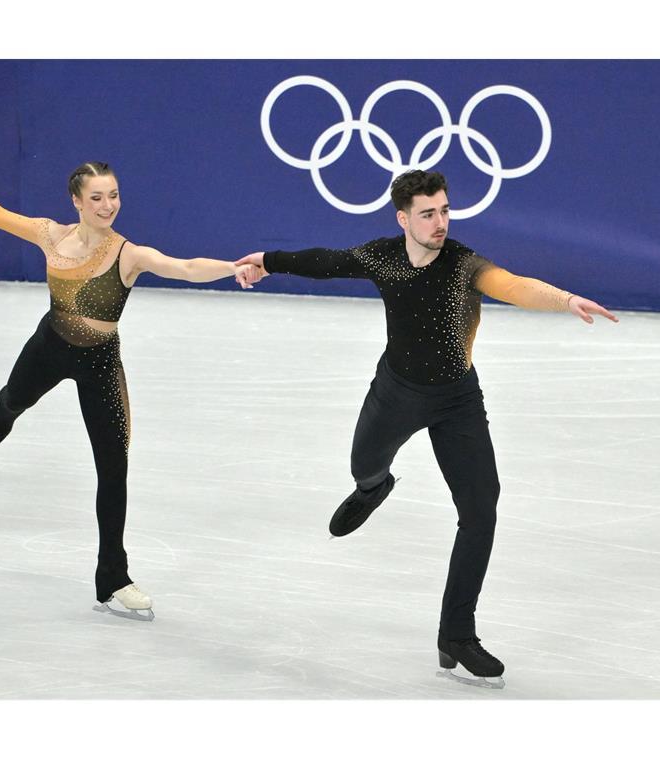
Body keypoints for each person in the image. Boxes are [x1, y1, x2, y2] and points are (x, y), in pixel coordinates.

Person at [236, 170, 617, 687]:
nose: (441, 222)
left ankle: (456, 634)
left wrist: (564, 299)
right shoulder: (383, 257)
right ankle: (373, 488)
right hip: (395, 393)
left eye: (445, 211)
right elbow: (326, 262)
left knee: (481, 510)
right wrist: (268, 260)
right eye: (428, 214)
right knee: (363, 466)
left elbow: (512, 285)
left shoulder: (462, 264)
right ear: (403, 219)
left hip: (457, 401)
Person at [0, 162, 262, 621]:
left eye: (113, 195)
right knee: (12, 401)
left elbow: (185, 267)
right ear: (76, 201)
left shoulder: (127, 254)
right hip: (49, 347)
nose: (107, 205)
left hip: (101, 365)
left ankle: (113, 576)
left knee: (113, 471)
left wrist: (232, 268)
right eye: (96, 197)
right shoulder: (50, 235)